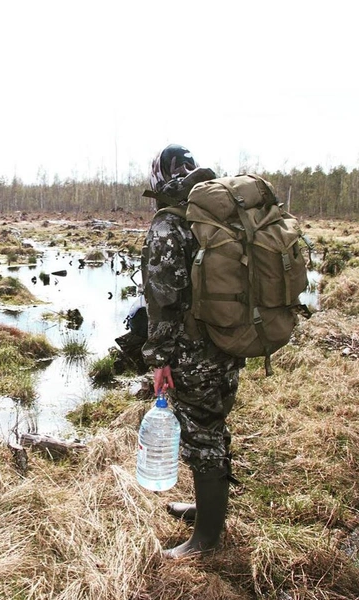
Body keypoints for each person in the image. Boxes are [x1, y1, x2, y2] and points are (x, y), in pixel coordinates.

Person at [140, 144, 245, 558]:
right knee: (212, 422)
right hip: (227, 340)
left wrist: (159, 361)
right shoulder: (218, 216)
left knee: (202, 433)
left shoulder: (169, 225)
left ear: (159, 178)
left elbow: (164, 300)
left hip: (192, 351)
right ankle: (206, 512)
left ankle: (205, 540)